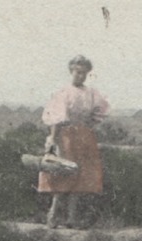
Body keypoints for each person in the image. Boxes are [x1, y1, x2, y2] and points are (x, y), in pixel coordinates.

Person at [39, 54, 110, 228]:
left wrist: (87, 126)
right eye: (77, 72)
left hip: (84, 137)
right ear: (71, 71)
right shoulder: (63, 93)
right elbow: (56, 119)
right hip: (66, 136)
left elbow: (98, 114)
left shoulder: (91, 94)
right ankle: (53, 215)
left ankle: (71, 218)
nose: (81, 76)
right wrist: (53, 140)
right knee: (63, 172)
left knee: (80, 176)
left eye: (84, 73)